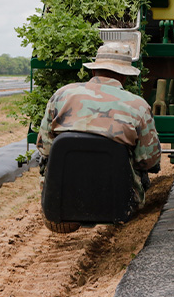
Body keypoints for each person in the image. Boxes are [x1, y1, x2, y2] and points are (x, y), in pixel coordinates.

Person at [36, 42, 161, 218]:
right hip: (118, 201)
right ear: (125, 76)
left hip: (63, 193)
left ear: (94, 71)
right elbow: (148, 160)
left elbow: (45, 146)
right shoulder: (138, 106)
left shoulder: (62, 95)